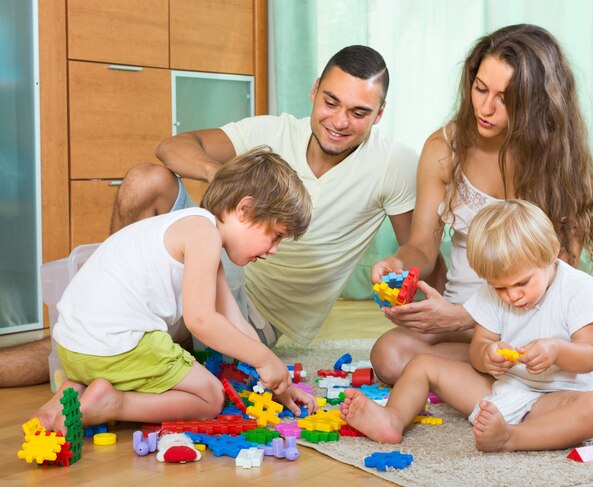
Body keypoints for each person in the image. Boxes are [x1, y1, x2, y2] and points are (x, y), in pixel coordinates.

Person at [109, 44, 427, 347]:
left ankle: (115, 339)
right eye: (331, 103)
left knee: (165, 342)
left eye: (359, 113)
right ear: (315, 90)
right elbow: (171, 147)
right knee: (144, 180)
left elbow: (419, 248)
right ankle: (107, 309)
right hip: (209, 262)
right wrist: (223, 175)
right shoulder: (271, 132)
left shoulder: (393, 164)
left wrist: (397, 264)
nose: (340, 122)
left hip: (258, 314)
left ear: (380, 114)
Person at [369, 24, 593, 395]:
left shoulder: (559, 161)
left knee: (531, 356)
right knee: (389, 356)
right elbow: (422, 247)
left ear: (537, 103)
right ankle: (528, 377)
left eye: (505, 98)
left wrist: (472, 318)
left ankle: (538, 375)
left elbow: (561, 274)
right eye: (480, 88)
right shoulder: (444, 149)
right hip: (468, 325)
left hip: (534, 323)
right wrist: (397, 264)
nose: (485, 108)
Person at [33, 148, 317, 433]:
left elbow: (235, 321)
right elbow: (201, 321)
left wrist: (280, 384)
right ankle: (113, 403)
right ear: (244, 209)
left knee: (123, 359)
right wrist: (264, 358)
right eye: (276, 235)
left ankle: (67, 396)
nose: (274, 250)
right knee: (210, 397)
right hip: (115, 346)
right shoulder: (203, 235)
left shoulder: (192, 228)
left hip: (73, 348)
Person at [341, 200, 593, 452]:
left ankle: (512, 437)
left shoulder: (580, 289)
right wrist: (488, 356)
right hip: (502, 388)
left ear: (551, 254)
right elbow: (478, 348)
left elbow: (590, 356)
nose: (512, 296)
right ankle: (393, 418)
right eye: (500, 288)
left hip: (555, 399)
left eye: (522, 283)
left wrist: (557, 350)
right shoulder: (492, 291)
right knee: (423, 363)